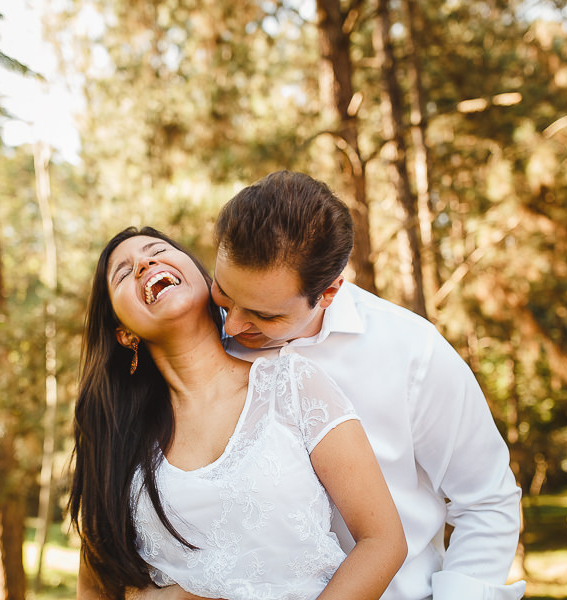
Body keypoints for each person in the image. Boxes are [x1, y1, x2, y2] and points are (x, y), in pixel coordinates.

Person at [204, 171, 527, 600]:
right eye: (224, 293)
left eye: (265, 316)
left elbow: (487, 501)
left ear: (330, 291)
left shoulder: (412, 352)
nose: (234, 323)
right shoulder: (204, 345)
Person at [68, 226, 407, 600]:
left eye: (157, 250)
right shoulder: (118, 441)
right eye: (123, 272)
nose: (145, 263)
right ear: (123, 333)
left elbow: (382, 542)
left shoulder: (293, 385)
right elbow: (97, 585)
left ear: (208, 281)